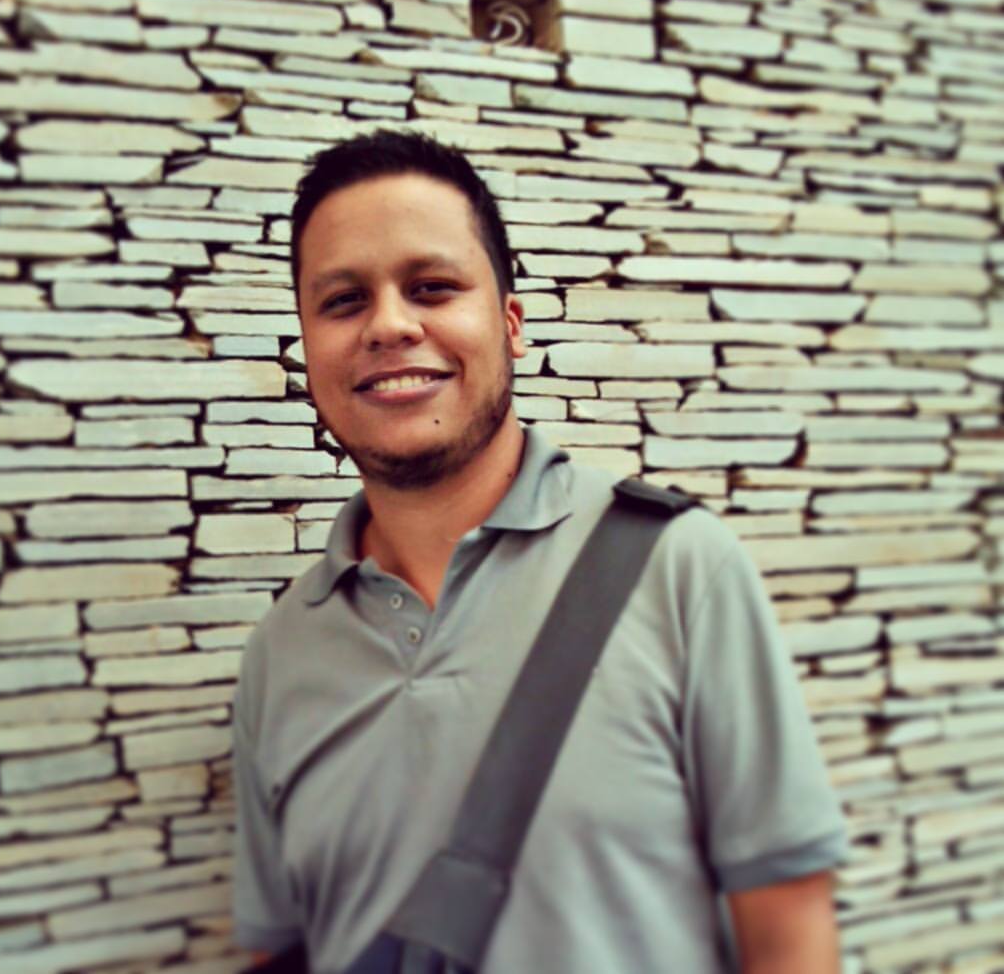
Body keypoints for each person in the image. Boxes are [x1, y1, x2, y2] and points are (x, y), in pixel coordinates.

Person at [230, 129, 848, 973]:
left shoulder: (680, 569)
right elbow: (281, 950)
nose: (390, 324)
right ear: (308, 348)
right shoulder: (282, 651)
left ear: (511, 323)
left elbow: (788, 927)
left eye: (432, 287)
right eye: (343, 301)